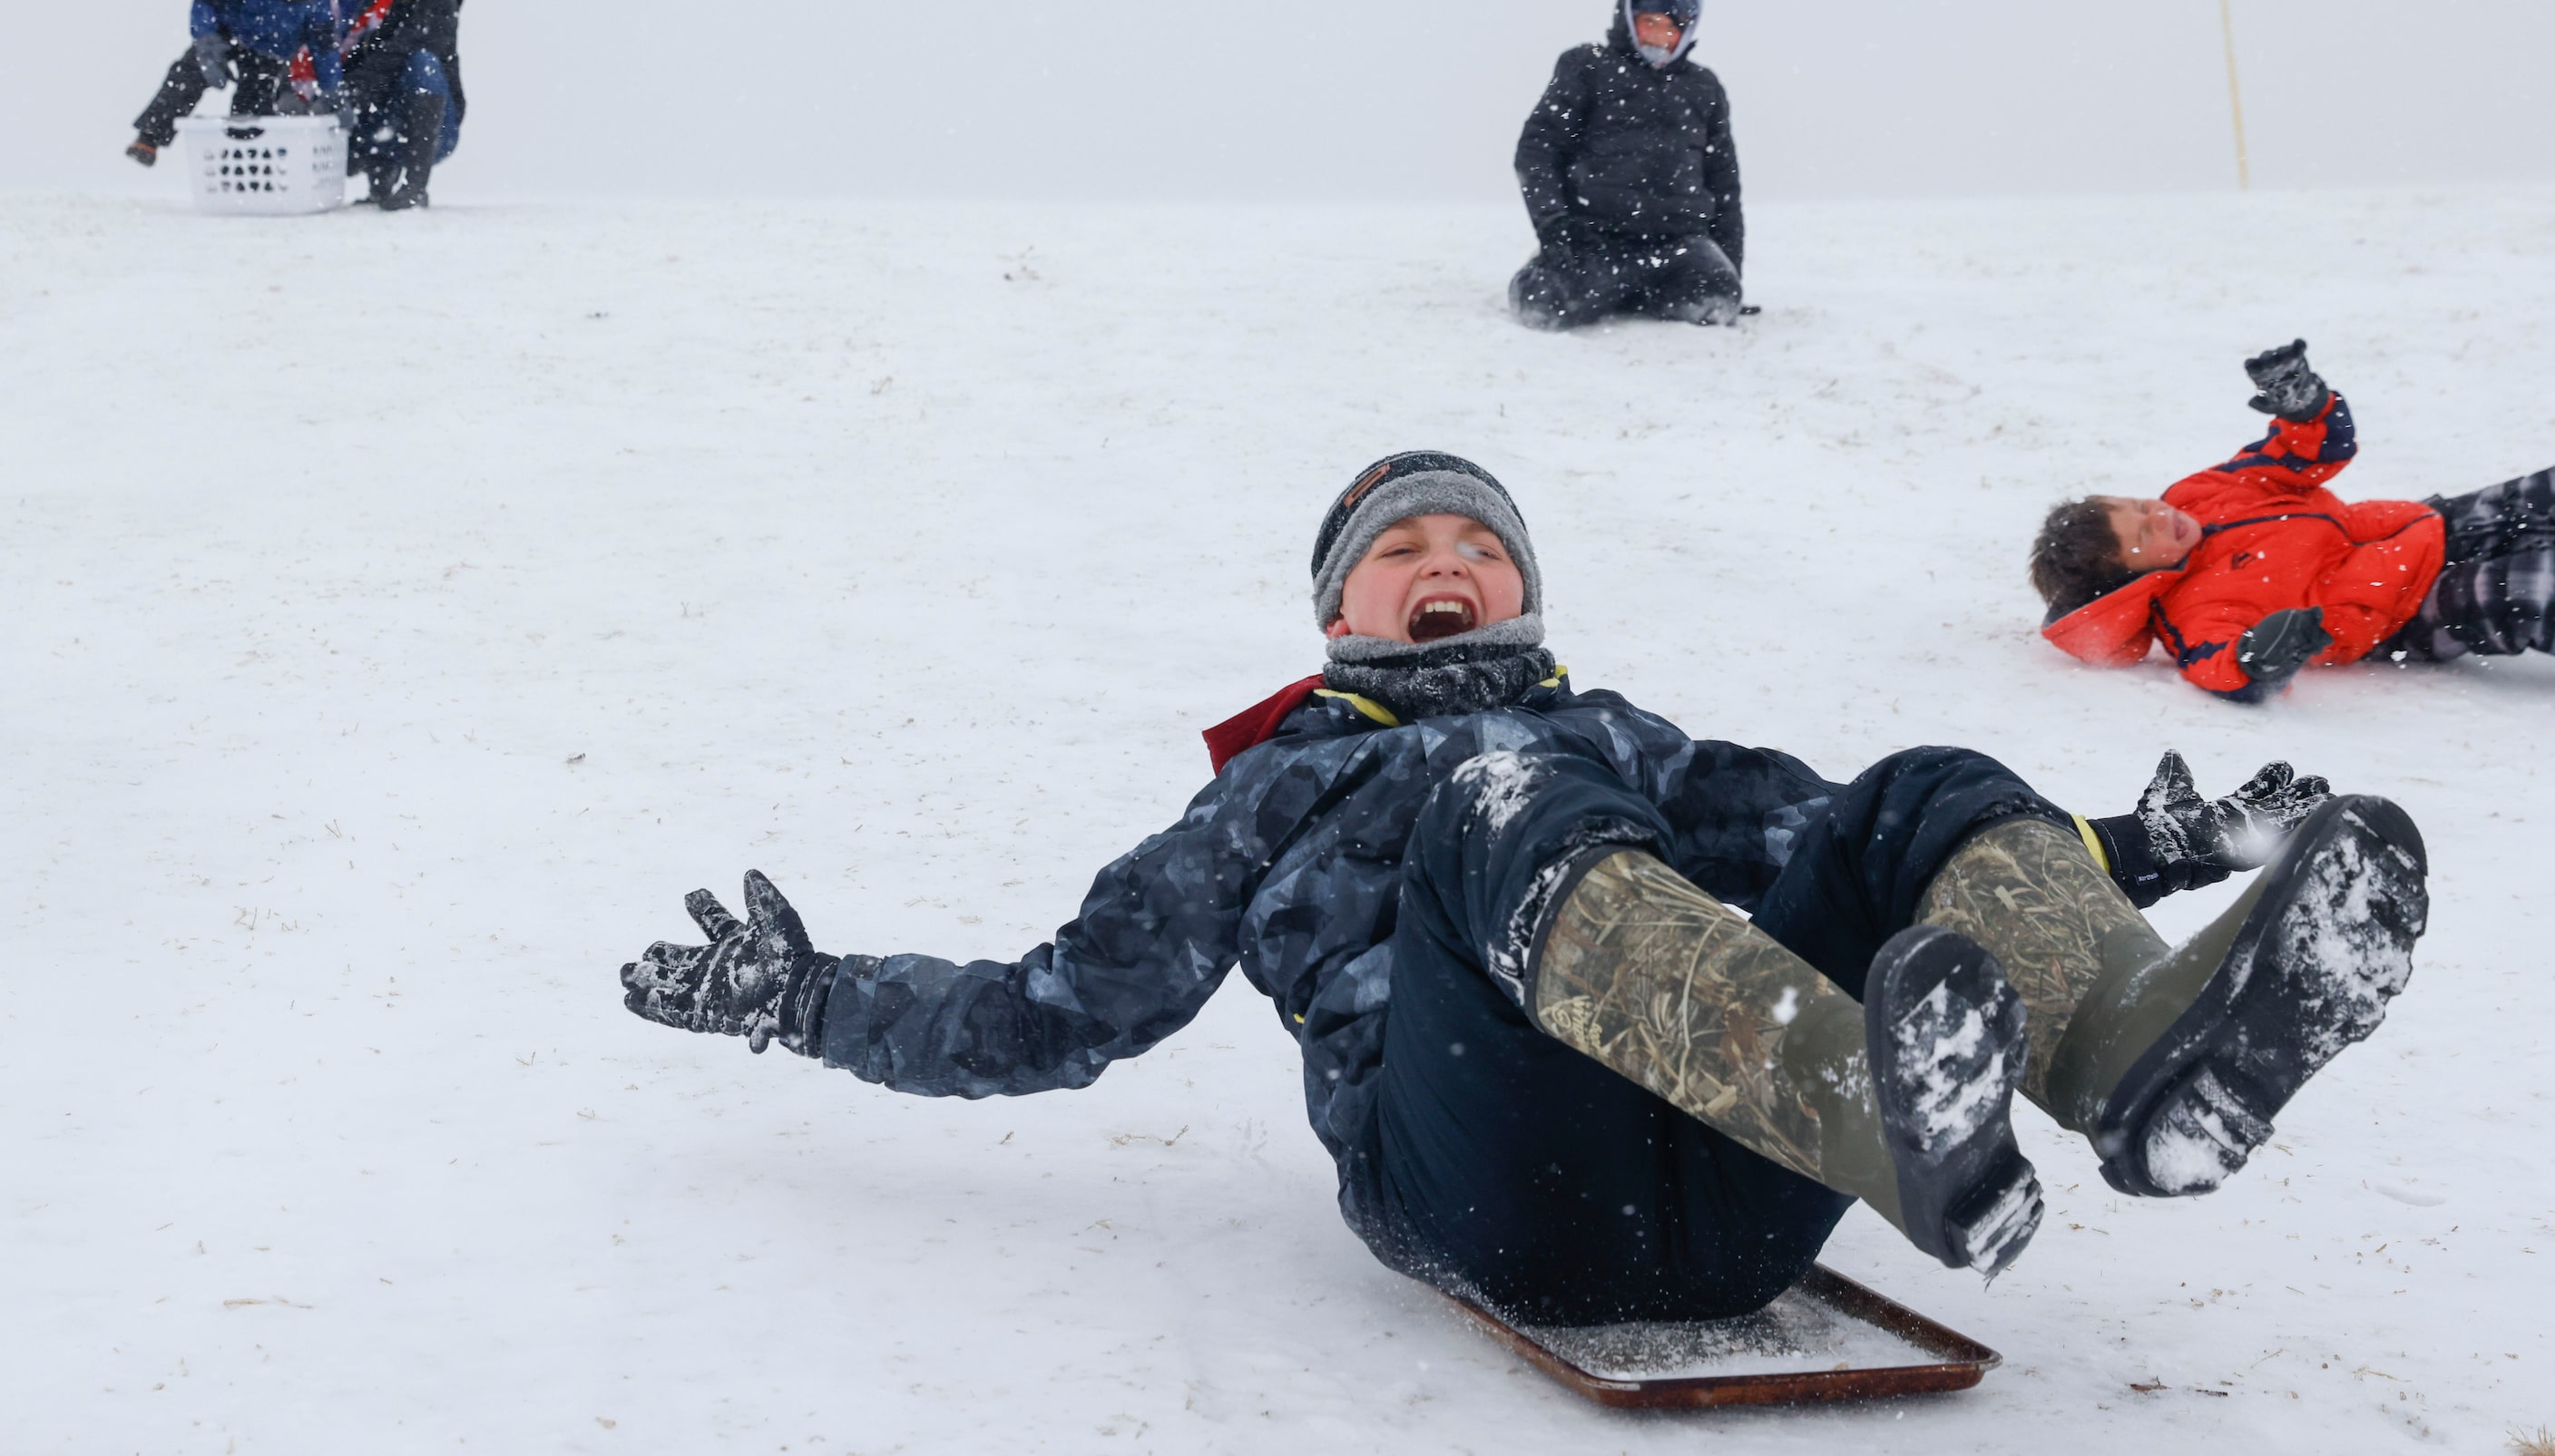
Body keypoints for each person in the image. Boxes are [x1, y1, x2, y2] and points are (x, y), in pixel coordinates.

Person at [619, 451, 2429, 1324]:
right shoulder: (1270, 795)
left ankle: (2140, 1069)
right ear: (1339, 609)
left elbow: (1835, 846)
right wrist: (806, 997)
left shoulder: (1618, 733)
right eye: (1402, 547)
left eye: (1475, 544)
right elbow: (1047, 1010)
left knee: (1909, 792)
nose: (1444, 562)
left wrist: (2147, 849)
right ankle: (1878, 1113)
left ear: (1519, 595)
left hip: (1736, 1195)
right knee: (1499, 810)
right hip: (1490, 1187)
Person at [2034, 339, 2555, 700]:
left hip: (2424, 526)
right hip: (2404, 612)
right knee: (2533, 589)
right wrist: (2256, 658)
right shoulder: (2191, 612)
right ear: (2137, 578)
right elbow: (2218, 664)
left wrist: (2307, 412)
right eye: (2144, 534)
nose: (2160, 515)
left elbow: (2297, 458)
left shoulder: (2200, 494)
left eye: (2142, 505)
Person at [1508, 0, 1746, 330]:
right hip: (1596, 241)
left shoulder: (1704, 89)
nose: (1658, 36)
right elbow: (1538, 149)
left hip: (1677, 248)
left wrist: (1731, 269)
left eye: (1671, 27)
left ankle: (1638, 292)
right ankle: (1576, 281)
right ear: (1628, 17)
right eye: (1649, 22)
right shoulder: (1587, 67)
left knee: (1717, 298)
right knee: (1545, 305)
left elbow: (1724, 187)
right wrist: (1554, 226)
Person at [126, 0, 343, 167]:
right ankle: (150, 136)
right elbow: (204, 4)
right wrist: (207, 43)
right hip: (227, 36)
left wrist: (333, 90)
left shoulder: (317, 4)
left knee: (253, 112)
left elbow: (324, 48)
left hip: (269, 55)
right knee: (189, 73)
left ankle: (246, 168)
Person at [333, 0, 466, 210]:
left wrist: (345, 97)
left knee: (423, 65)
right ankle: (380, 181)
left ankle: (415, 185)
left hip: (431, 128)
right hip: (368, 114)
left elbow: (391, 59)